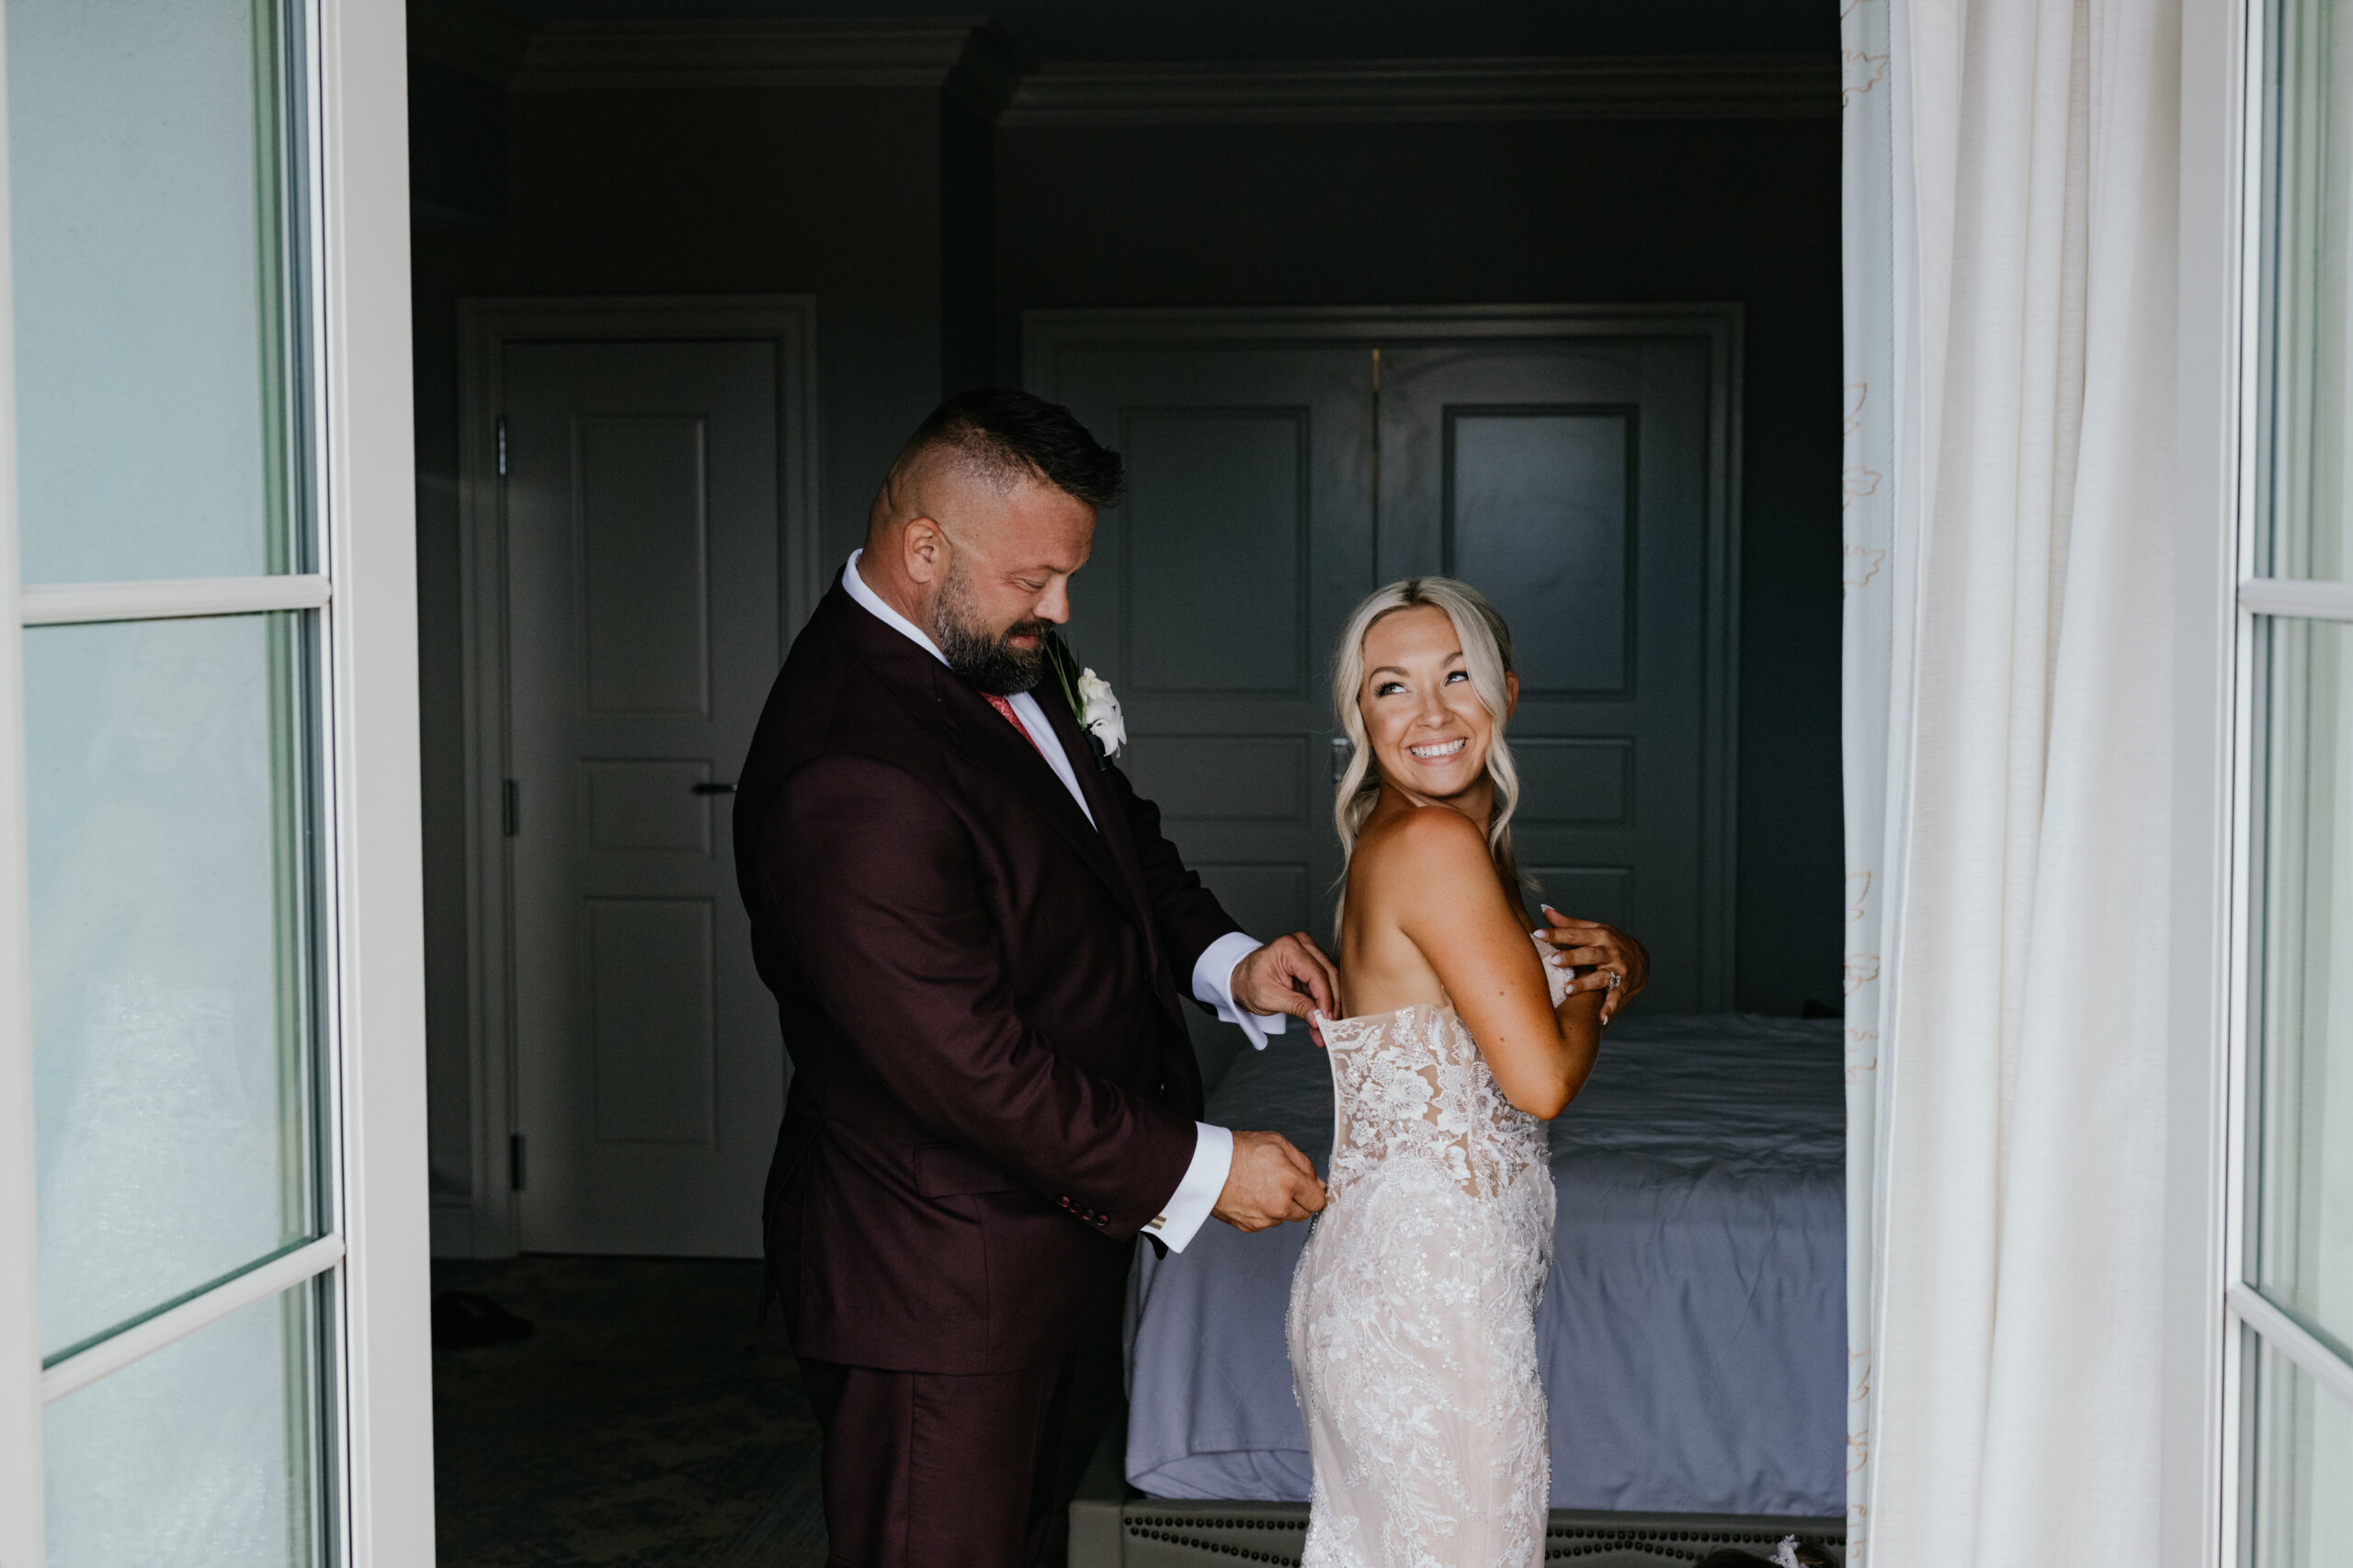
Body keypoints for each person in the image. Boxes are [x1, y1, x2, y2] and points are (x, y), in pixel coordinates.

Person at [733, 389, 1345, 1568]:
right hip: (932, 1277)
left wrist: (1228, 962)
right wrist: (1202, 1166)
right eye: (1035, 578)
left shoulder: (994, 641)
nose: (1059, 609)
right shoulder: (849, 768)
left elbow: (1114, 840)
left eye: (1067, 576)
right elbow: (968, 1067)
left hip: (1034, 1248)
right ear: (924, 548)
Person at [1288, 577, 1648, 1568]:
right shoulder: (1435, 842)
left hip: (1404, 1283)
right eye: (1391, 687)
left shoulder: (1421, 838)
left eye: (1457, 676)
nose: (1433, 713)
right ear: (1359, 716)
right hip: (1428, 1301)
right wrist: (1612, 972)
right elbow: (1541, 1082)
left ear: (1505, 693)